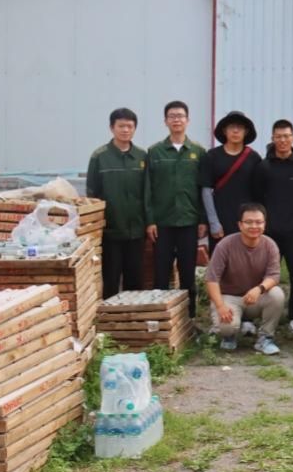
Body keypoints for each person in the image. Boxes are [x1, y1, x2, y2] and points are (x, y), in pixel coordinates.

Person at [145, 100, 207, 317]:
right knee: (161, 273)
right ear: (165, 121)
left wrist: (202, 219)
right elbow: (148, 189)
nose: (176, 120)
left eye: (180, 116)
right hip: (162, 223)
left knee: (187, 273)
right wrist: (150, 220)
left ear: (187, 120)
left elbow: (203, 190)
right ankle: (162, 319)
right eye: (172, 116)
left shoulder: (198, 151)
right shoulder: (155, 152)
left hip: (189, 222)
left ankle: (189, 318)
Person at [254, 119, 293, 336]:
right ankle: (261, 315)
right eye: (278, 136)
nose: (282, 140)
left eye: (286, 136)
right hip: (269, 231)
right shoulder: (263, 167)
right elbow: (257, 198)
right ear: (272, 138)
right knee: (264, 274)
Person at [205, 203, 284, 355]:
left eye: (258, 222)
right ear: (240, 225)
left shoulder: (270, 245)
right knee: (226, 327)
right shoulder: (225, 245)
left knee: (277, 294)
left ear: (264, 224)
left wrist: (259, 289)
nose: (254, 226)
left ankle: (265, 338)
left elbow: (274, 276)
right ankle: (229, 336)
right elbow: (212, 279)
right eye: (249, 222)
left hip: (255, 298)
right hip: (229, 297)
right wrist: (220, 306)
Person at [87, 107, 147, 299]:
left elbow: (148, 192)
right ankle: (110, 315)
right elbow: (91, 194)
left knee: (135, 280)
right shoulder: (100, 156)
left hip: (136, 230)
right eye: (121, 126)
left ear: (135, 128)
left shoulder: (142, 156)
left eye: (130, 126)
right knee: (111, 279)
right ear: (112, 128)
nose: (125, 130)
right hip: (110, 230)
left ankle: (134, 314)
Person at [202, 111, 262, 252]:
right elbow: (206, 190)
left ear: (246, 131)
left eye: (239, 127)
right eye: (231, 127)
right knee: (220, 260)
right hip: (220, 220)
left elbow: (259, 192)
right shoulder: (211, 156)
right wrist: (213, 222)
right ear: (224, 131)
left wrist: (255, 221)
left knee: (246, 259)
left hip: (246, 221)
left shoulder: (254, 158)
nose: (235, 131)